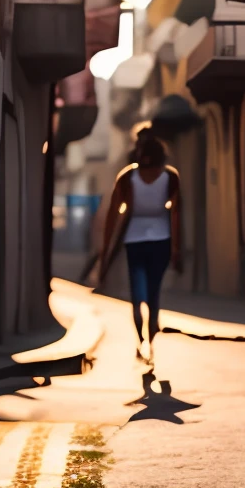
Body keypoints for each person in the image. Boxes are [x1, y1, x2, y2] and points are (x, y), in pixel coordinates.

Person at [97, 129, 184, 366]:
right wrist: (177, 248)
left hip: (134, 240)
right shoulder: (170, 178)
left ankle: (139, 340)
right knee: (154, 292)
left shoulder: (127, 178)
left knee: (138, 292)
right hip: (162, 240)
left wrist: (105, 250)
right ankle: (152, 339)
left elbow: (112, 216)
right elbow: (175, 216)